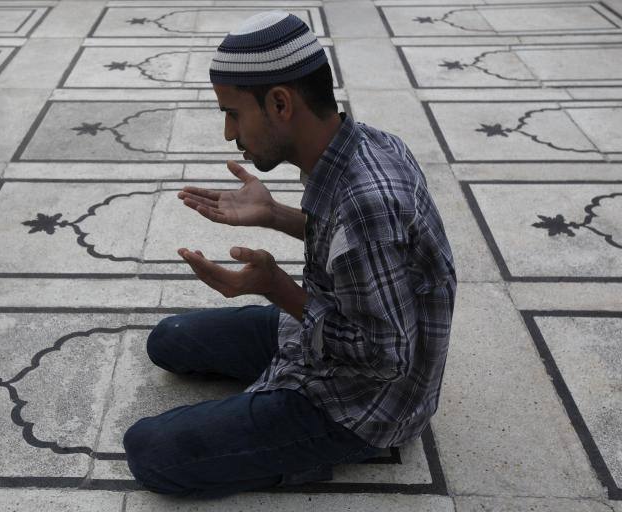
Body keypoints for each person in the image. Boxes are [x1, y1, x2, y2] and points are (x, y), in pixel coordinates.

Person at [122, 10, 457, 498]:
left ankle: (295, 438)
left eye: (233, 113)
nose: (229, 133)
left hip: (367, 402)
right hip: (323, 333)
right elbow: (355, 249)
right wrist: (274, 214)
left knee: (150, 452)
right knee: (169, 339)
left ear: (280, 103)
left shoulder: (368, 201)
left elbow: (387, 356)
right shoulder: (369, 144)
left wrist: (276, 287)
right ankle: (272, 397)